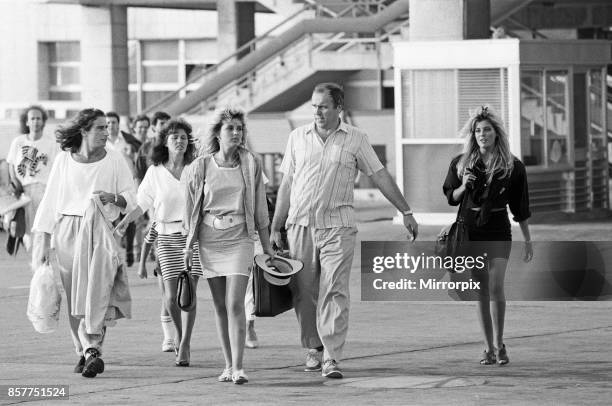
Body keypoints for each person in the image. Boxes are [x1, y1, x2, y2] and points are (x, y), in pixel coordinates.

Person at [270, 83, 418, 379]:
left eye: (323, 106)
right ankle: (313, 348)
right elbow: (286, 184)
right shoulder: (297, 137)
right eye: (314, 106)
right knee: (303, 291)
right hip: (300, 225)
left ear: (338, 108)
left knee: (335, 289)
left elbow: (379, 175)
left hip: (338, 226)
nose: (317, 112)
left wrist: (405, 210)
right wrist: (276, 226)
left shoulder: (356, 139)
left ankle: (332, 356)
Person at [32, 108, 136, 378]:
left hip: (101, 230)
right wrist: (42, 240)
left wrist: (113, 198)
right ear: (84, 131)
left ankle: (93, 350)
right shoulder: (64, 161)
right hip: (67, 230)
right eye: (100, 127)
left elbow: (131, 196)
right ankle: (83, 349)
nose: (107, 131)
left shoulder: (114, 159)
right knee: (75, 294)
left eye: (107, 127)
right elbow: (50, 201)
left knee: (97, 291)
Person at [183, 107, 274, 384]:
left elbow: (260, 208)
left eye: (239, 128)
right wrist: (188, 246)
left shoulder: (250, 163)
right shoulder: (199, 167)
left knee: (235, 303)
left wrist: (267, 247)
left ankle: (239, 367)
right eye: (230, 129)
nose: (236, 133)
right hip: (209, 240)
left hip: (240, 238)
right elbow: (190, 210)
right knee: (220, 306)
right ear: (218, 135)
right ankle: (227, 365)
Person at [442, 105, 533, 365]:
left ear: (496, 133)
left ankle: (500, 343)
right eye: (478, 131)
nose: (482, 134)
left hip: (498, 229)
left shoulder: (513, 166)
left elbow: (521, 208)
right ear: (473, 135)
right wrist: (463, 185)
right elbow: (451, 197)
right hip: (471, 230)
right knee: (481, 289)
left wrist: (527, 239)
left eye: (487, 130)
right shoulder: (461, 164)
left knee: (496, 287)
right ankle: (488, 348)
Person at [115, 118, 202, 367]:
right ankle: (179, 333)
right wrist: (124, 222)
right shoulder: (155, 171)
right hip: (164, 236)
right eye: (174, 136)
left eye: (184, 136)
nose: (180, 140)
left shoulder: (196, 168)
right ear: (165, 141)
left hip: (191, 237)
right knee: (171, 297)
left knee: (190, 294)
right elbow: (141, 204)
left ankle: (185, 343)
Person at [6, 105, 58, 253]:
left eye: (38, 118)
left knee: (41, 229)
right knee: (25, 229)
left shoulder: (51, 144)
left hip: (43, 190)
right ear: (27, 122)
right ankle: (30, 250)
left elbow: (56, 169)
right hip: (23, 192)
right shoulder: (18, 142)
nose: (35, 121)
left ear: (43, 122)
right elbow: (10, 164)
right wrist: (14, 181)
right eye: (32, 118)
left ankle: (41, 262)